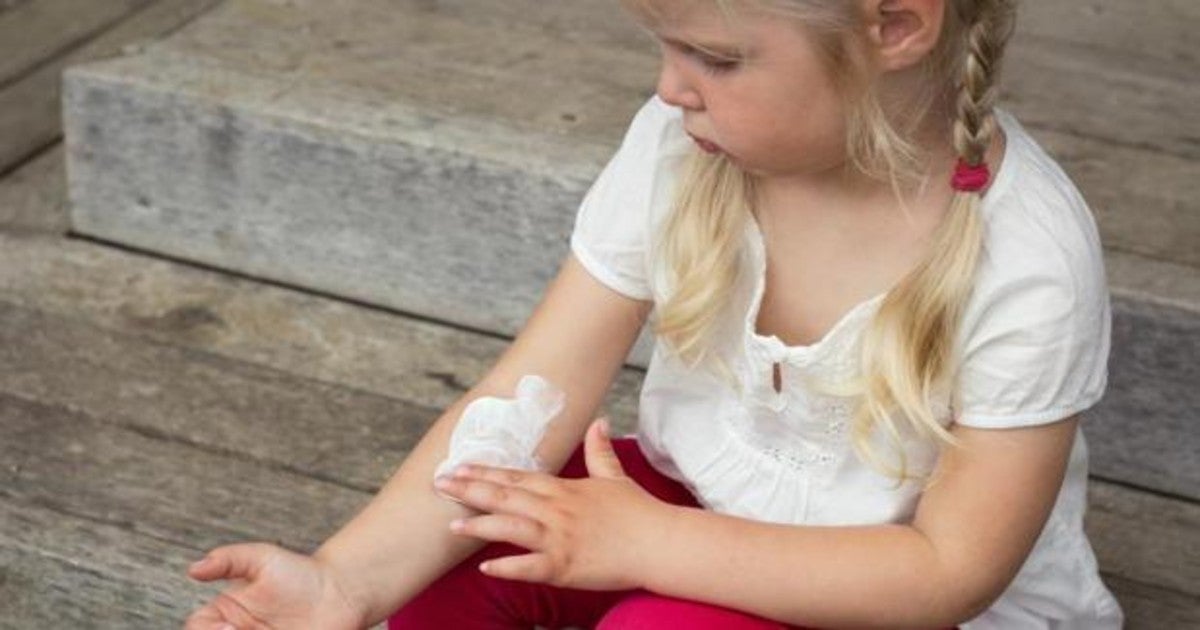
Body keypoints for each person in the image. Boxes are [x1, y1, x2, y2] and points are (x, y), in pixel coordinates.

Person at [184, 0, 1124, 628]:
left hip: (893, 595)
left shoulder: (1026, 254)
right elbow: (529, 392)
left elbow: (946, 571)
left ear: (894, 24)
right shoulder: (684, 148)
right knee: (471, 560)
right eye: (666, 46)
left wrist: (650, 542)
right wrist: (345, 582)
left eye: (715, 57)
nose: (672, 87)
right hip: (687, 501)